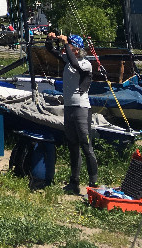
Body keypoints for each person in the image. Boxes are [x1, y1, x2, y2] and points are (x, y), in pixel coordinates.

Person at [45, 32, 98, 194]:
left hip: (82, 108)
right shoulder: (68, 59)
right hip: (69, 108)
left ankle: (93, 183)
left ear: (78, 49)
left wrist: (66, 43)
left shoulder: (85, 64)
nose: (68, 49)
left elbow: (75, 64)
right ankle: (74, 182)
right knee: (73, 146)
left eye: (71, 47)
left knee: (86, 146)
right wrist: (50, 39)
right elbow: (50, 50)